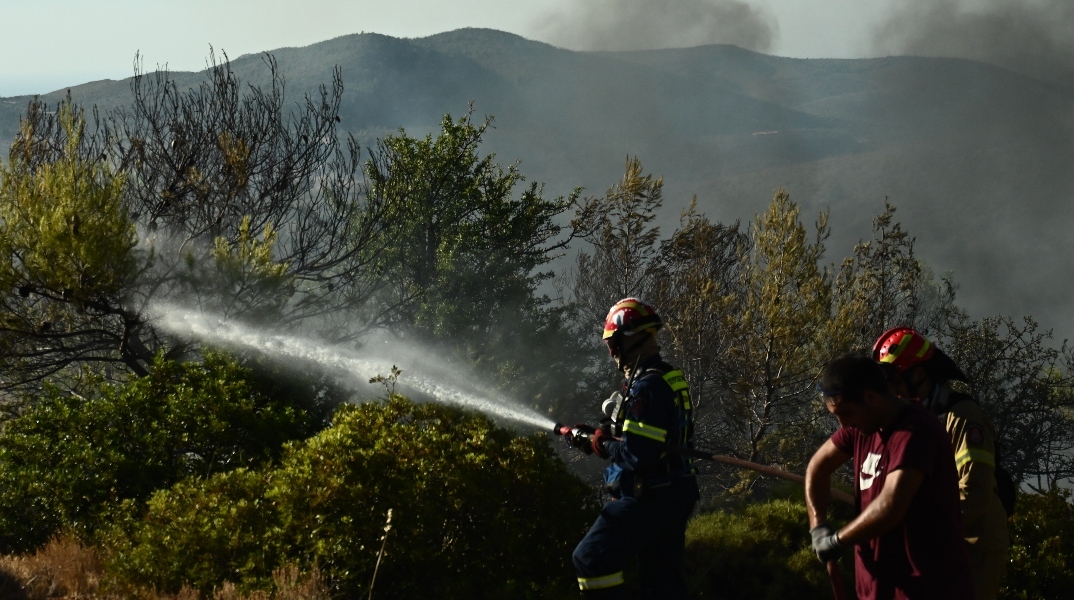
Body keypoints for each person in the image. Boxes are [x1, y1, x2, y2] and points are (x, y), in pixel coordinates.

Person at [805, 353, 973, 600]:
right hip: (878, 588)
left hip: (927, 588)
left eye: (847, 413)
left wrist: (837, 541)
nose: (843, 426)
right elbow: (818, 467)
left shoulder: (916, 432)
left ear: (871, 398)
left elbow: (890, 505)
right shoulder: (861, 426)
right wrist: (818, 526)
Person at [565, 298, 699, 599]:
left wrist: (598, 445)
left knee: (589, 558)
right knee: (662, 584)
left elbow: (639, 456)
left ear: (629, 338)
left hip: (650, 494)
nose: (612, 352)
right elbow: (649, 435)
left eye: (614, 343)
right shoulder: (666, 377)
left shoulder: (646, 388)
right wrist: (603, 434)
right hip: (675, 489)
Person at [873, 328, 1011, 600]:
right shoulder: (917, 419)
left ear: (920, 373)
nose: (894, 390)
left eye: (897, 379)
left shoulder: (962, 418)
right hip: (940, 542)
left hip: (974, 544)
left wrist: (925, 525)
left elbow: (975, 489)